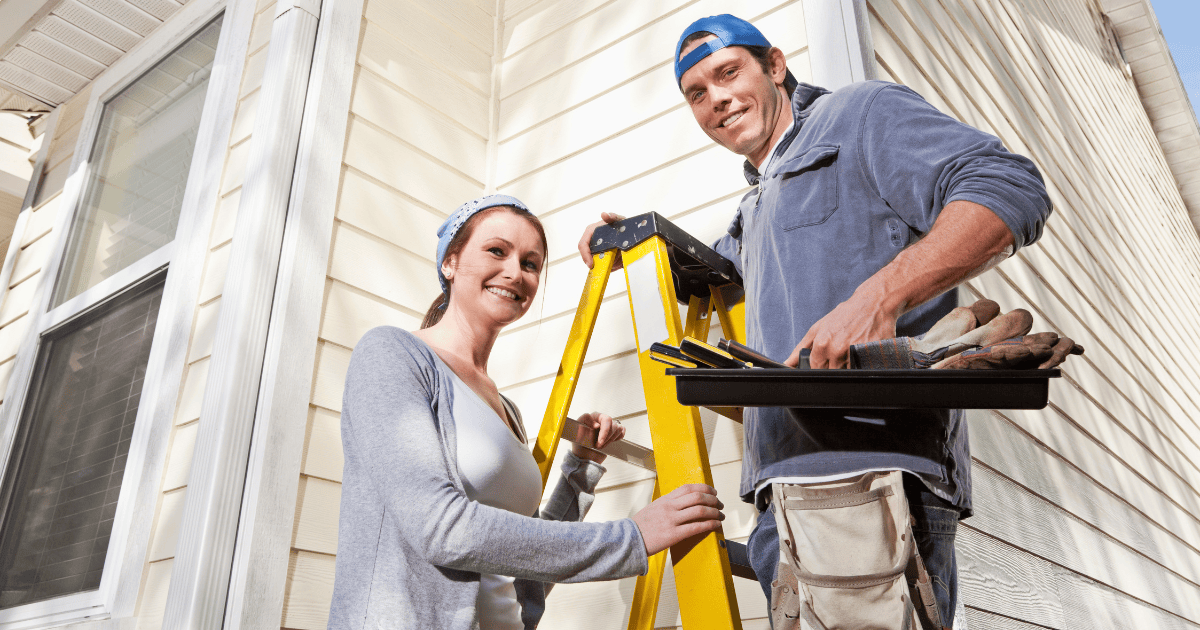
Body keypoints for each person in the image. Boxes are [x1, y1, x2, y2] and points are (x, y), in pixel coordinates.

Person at [578, 15, 1051, 629]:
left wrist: (877, 299)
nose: (715, 99)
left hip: (875, 476)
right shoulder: (756, 204)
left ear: (774, 66)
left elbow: (1010, 186)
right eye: (696, 93)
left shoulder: (858, 117)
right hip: (781, 490)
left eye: (728, 73)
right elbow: (716, 268)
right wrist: (625, 238)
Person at [328, 194, 727, 630]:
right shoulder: (392, 356)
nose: (516, 272)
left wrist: (581, 466)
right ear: (451, 262)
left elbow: (522, 562)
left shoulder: (506, 409)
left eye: (531, 263)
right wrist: (630, 538)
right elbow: (442, 529)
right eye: (496, 251)